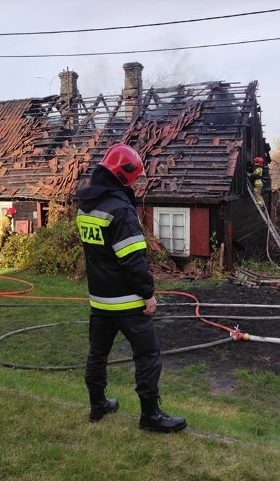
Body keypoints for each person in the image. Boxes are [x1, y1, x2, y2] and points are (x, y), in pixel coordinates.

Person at [75, 143, 187, 433]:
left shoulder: (85, 204)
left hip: (99, 301)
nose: (135, 183)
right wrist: (148, 294)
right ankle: (150, 416)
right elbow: (133, 261)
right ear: (123, 175)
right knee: (147, 356)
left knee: (97, 355)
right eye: (134, 178)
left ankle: (97, 406)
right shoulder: (121, 210)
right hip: (127, 301)